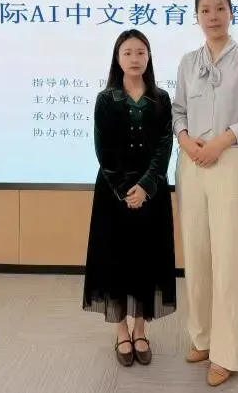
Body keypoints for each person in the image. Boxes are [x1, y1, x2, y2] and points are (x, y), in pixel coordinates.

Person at [172, 0, 238, 386]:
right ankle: (203, 337)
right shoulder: (187, 62)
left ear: (231, 12)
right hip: (191, 162)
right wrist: (185, 140)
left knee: (229, 258)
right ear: (196, 16)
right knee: (196, 254)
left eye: (219, 8)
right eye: (205, 10)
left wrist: (222, 140)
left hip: (229, 160)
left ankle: (228, 354)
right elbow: (178, 110)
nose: (212, 16)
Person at [82, 28, 177, 368]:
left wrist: (147, 185)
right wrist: (126, 189)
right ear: (117, 58)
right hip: (114, 193)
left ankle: (140, 329)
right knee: (116, 260)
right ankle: (121, 331)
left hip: (152, 193)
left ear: (149, 57)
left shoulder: (161, 98)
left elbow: (165, 144)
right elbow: (104, 149)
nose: (135, 59)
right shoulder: (106, 99)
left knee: (147, 259)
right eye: (128, 53)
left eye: (141, 52)